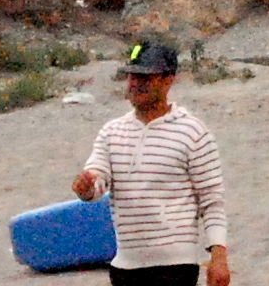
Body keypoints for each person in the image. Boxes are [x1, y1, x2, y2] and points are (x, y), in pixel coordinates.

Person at [75, 38, 230, 286]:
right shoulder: (111, 132)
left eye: (146, 78)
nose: (135, 84)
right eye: (132, 76)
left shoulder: (193, 132)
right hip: (125, 267)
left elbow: (212, 202)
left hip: (176, 267)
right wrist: (86, 188)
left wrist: (219, 260)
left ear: (168, 80)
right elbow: (97, 181)